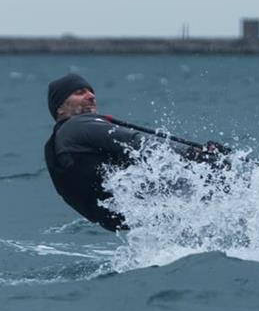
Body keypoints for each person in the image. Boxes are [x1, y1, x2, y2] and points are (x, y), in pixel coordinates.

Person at [44, 73, 226, 232]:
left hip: (121, 215)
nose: (91, 96)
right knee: (217, 181)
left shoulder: (60, 139)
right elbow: (137, 142)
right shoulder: (76, 126)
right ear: (59, 108)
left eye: (90, 91)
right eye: (79, 92)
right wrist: (196, 155)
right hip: (133, 202)